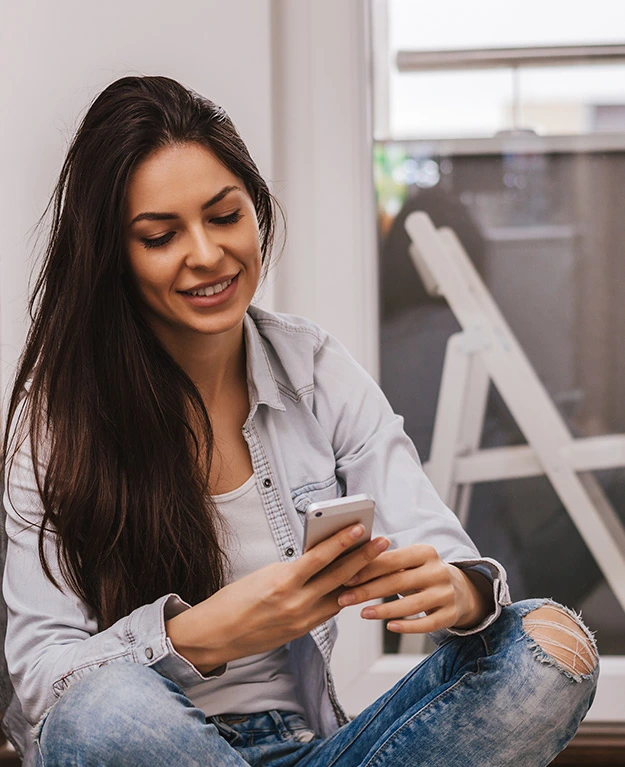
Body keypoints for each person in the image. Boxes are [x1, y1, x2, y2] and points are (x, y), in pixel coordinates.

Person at [2, 75, 598, 767]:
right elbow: (45, 682)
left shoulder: (311, 363)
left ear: (254, 210)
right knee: (101, 710)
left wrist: (459, 590)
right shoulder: (57, 419)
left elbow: (440, 548)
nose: (206, 253)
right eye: (162, 235)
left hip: (310, 749)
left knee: (549, 644)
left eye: (224, 216)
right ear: (114, 257)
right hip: (148, 746)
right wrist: (202, 634)